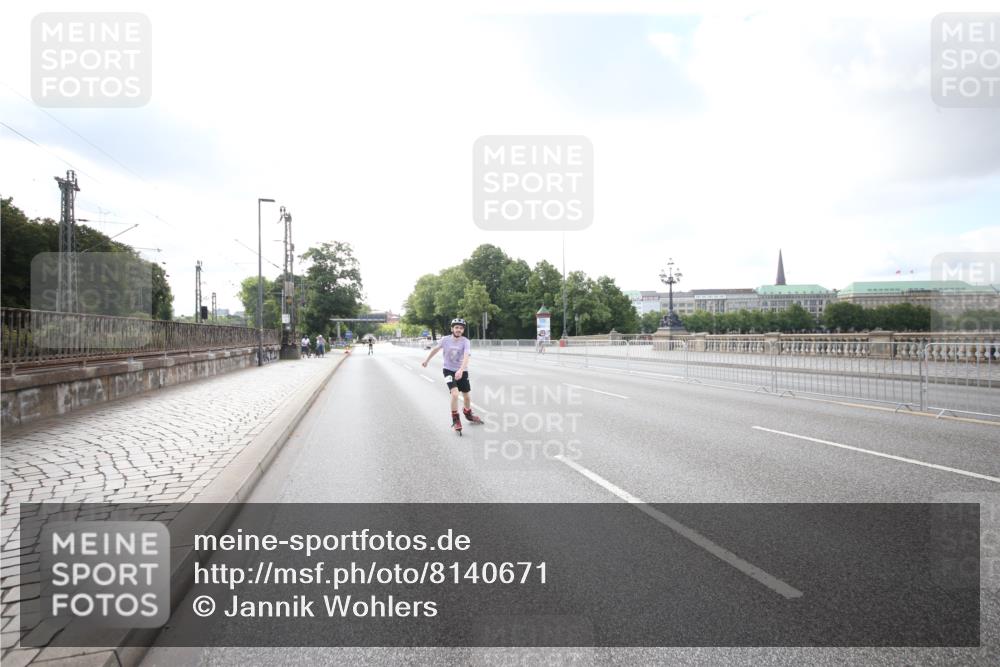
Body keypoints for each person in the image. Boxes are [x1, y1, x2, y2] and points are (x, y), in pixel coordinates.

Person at [422, 318, 482, 431]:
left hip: (462, 370)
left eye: (461, 328)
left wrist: (461, 370)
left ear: (463, 330)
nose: (459, 330)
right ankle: (456, 419)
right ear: (452, 329)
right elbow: (435, 349)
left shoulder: (465, 341)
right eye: (456, 327)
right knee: (455, 394)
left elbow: (466, 356)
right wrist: (427, 360)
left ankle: (468, 413)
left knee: (466, 396)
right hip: (448, 370)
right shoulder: (445, 340)